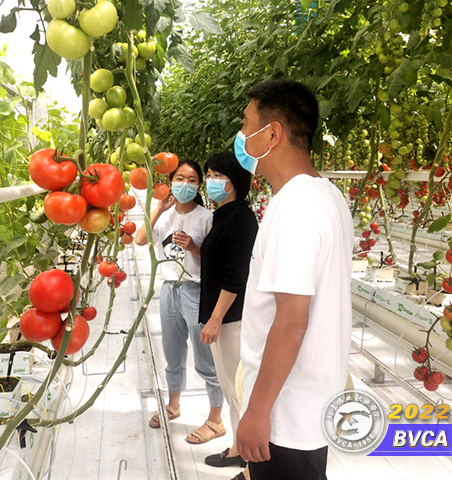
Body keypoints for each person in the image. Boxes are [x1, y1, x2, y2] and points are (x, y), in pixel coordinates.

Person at [234, 80, 354, 480]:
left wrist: (257, 412)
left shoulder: (296, 208)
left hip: (286, 415)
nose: (241, 136)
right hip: (310, 403)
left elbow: (291, 320)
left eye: (246, 124)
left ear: (272, 134)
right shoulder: (326, 196)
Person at [135, 160, 226, 445]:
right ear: (171, 182)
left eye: (192, 180)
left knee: (206, 358)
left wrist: (194, 247)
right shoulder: (165, 216)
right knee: (172, 353)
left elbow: (217, 261)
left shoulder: (207, 217)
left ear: (199, 186)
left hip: (195, 291)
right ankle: (173, 405)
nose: (185, 185)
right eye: (179, 179)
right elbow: (140, 239)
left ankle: (216, 419)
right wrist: (159, 208)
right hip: (169, 290)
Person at [198, 152, 258, 477]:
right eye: (208, 175)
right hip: (222, 316)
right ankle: (239, 448)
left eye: (217, 175)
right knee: (230, 388)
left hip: (232, 319)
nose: (210, 181)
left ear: (235, 182)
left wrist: (216, 318)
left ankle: (251, 465)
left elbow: (237, 274)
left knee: (240, 390)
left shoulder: (243, 219)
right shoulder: (222, 215)